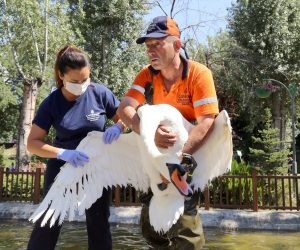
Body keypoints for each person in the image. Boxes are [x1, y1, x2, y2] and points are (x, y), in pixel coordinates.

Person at [117, 16, 219, 249]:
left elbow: (206, 122)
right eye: (148, 47)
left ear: (177, 45)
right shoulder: (147, 74)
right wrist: (149, 134)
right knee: (150, 227)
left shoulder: (199, 74)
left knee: (185, 227)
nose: (151, 51)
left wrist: (179, 161)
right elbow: (125, 108)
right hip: (156, 155)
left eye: (158, 44)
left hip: (188, 153)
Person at [27, 44, 124, 250]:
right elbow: (32, 143)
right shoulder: (51, 103)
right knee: (49, 219)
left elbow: (126, 117)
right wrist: (63, 153)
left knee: (99, 222)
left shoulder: (100, 93)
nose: (81, 85)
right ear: (61, 76)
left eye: (85, 80)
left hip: (97, 166)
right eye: (74, 81)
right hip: (64, 165)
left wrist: (117, 126)